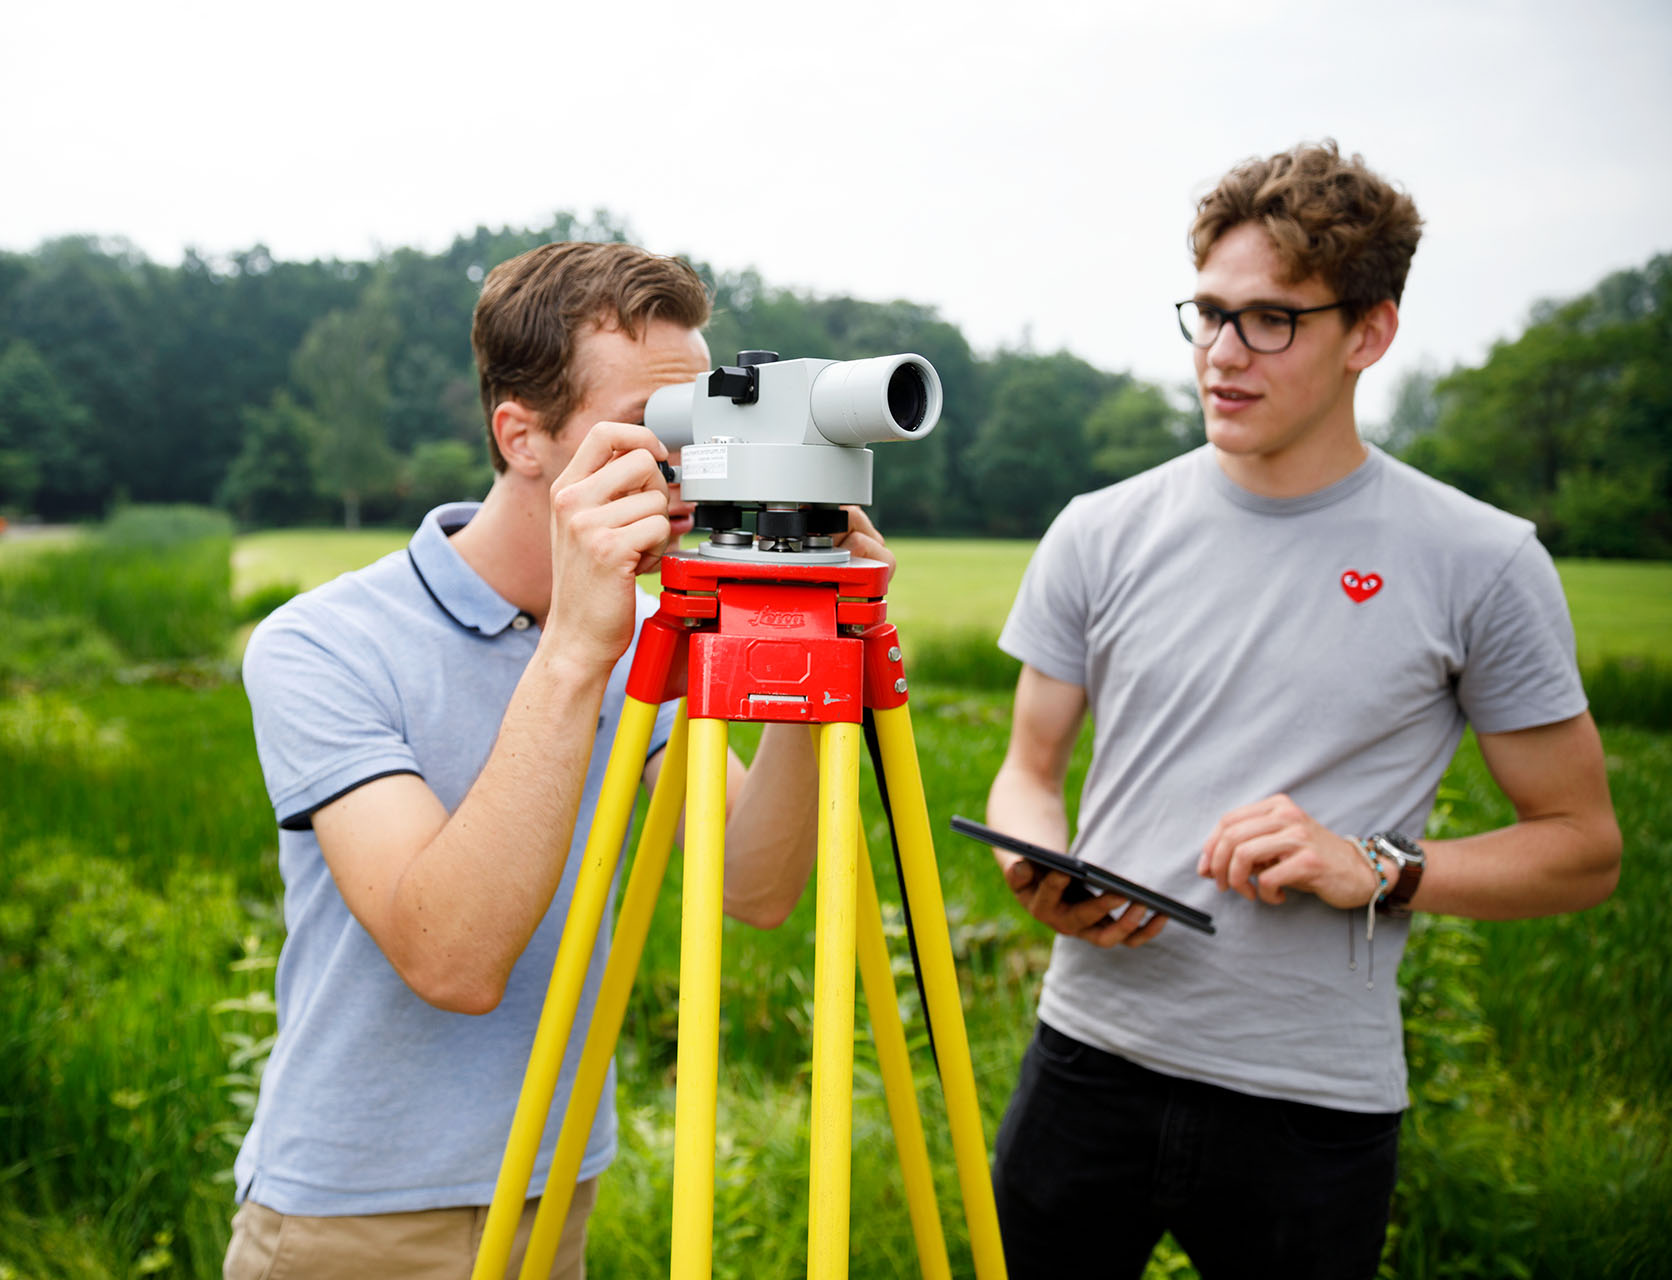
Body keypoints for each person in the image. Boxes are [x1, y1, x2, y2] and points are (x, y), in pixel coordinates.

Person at [983, 141, 1622, 1279]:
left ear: (1367, 333)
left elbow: (1582, 850)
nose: (1223, 356)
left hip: (1308, 1111)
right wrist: (1039, 860)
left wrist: (1378, 865)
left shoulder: (1482, 560)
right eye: (1210, 313)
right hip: (1086, 1059)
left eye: (1270, 320)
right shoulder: (1098, 528)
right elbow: (1032, 764)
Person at [222, 241, 890, 1280]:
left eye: (706, 418)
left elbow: (755, 885)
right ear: (521, 435)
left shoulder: (641, 632)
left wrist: (808, 635)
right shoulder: (323, 643)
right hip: (355, 1215)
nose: (687, 463)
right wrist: (577, 645)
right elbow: (452, 957)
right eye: (655, 429)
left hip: (556, 1188)